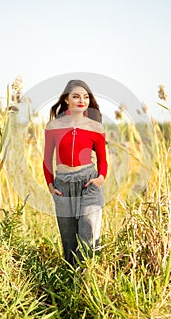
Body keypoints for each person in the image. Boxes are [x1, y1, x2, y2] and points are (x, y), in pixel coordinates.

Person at [43, 80, 108, 265]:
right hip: (63, 185)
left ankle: (87, 281)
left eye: (86, 97)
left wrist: (100, 179)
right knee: (69, 242)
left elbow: (103, 161)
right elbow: (47, 159)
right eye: (76, 96)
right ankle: (71, 284)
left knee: (88, 237)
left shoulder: (96, 127)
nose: (82, 100)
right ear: (66, 100)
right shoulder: (53, 126)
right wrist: (50, 185)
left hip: (89, 183)